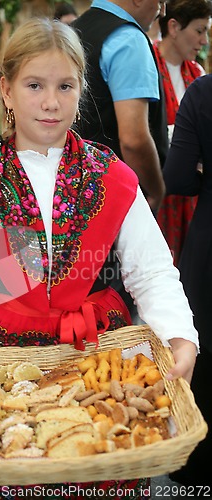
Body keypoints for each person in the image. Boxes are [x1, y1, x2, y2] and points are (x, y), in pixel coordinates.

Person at [0, 17, 198, 500]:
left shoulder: (112, 177)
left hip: (97, 367)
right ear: (6, 89)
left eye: (65, 86)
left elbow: (151, 271)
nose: (50, 101)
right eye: (34, 85)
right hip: (3, 379)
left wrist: (179, 336)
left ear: (81, 90)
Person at [162, 74, 212, 488]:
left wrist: (203, 180)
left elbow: (176, 176)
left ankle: (196, 468)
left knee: (206, 355)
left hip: (209, 240)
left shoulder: (203, 91)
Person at [72, 0, 168, 214]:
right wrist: (157, 189)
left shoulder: (72, 31)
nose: (162, 11)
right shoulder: (129, 39)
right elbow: (134, 139)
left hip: (71, 190)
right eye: (160, 1)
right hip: (117, 195)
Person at [153, 0, 212, 266]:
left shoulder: (197, 73)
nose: (204, 40)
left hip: (191, 192)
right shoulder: (148, 64)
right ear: (174, 27)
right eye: (199, 31)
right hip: (158, 182)